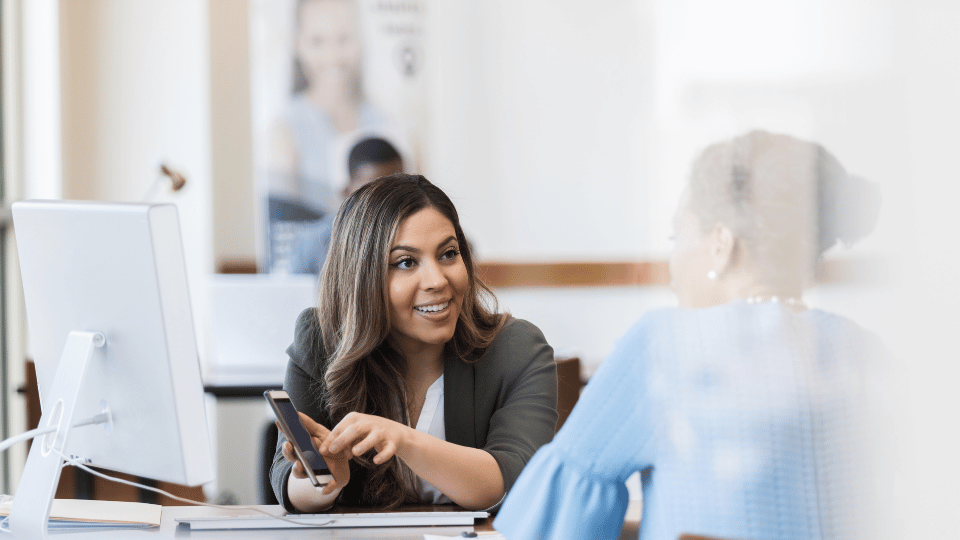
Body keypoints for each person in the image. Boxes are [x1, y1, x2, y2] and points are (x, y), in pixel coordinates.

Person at [494, 130, 889, 539]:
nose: (672, 262)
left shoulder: (666, 343)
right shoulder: (864, 351)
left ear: (722, 243)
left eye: (677, 237)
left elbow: (552, 524)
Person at [270, 173, 558, 511]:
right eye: (406, 262)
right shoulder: (321, 340)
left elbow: (512, 481)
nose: (437, 280)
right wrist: (323, 481)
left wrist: (403, 439)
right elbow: (286, 481)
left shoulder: (516, 348)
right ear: (362, 276)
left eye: (449, 254)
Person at [265, 0, 387, 271]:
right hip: (317, 286)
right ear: (298, 45)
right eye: (317, 41)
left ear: (360, 41)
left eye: (343, 38)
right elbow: (284, 245)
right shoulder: (286, 130)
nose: (332, 55)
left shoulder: (384, 123)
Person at [287, 136, 405, 274]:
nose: (387, 199)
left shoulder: (414, 233)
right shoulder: (312, 242)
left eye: (397, 188)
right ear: (347, 191)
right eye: (374, 191)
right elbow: (296, 293)